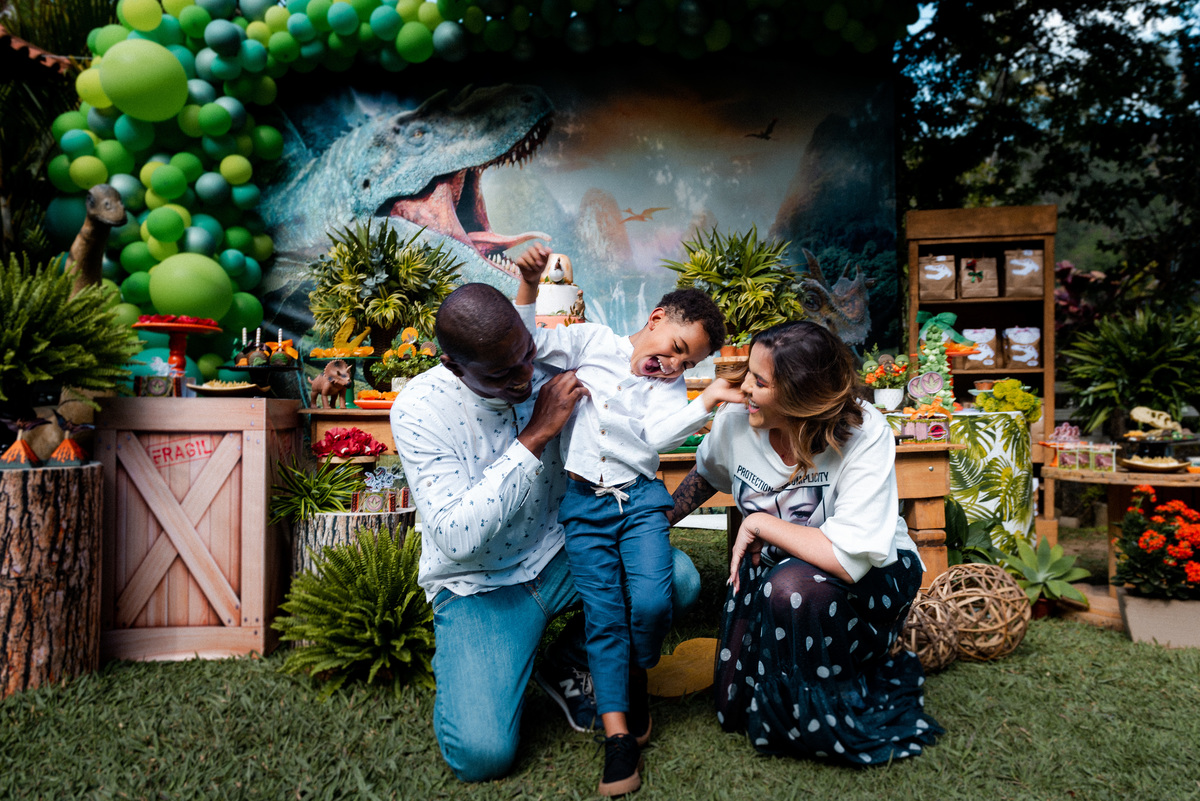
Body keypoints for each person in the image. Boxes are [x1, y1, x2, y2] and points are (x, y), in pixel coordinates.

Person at [390, 283, 702, 784]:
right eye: (502, 372)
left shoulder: (555, 364)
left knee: (674, 580)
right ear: (454, 366)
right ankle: (509, 653)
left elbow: (633, 423)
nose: (524, 376)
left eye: (526, 355)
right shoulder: (419, 408)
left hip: (563, 552)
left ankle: (569, 661)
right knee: (482, 755)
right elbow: (454, 537)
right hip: (482, 584)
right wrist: (535, 435)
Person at [514, 244, 743, 796]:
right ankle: (618, 738)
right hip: (586, 505)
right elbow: (528, 343)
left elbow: (654, 439)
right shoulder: (592, 342)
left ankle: (636, 672)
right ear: (656, 319)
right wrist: (528, 286)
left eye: (689, 364)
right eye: (677, 349)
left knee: (653, 602)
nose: (676, 365)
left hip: (640, 502)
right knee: (604, 616)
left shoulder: (670, 388)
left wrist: (704, 398)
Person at [667, 321, 943, 765]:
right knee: (732, 706)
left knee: (792, 586)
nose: (744, 388)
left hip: (868, 578)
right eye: (748, 373)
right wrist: (652, 526)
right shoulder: (737, 420)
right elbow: (705, 475)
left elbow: (849, 560)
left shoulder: (864, 431)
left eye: (760, 382)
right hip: (775, 572)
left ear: (801, 396)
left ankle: (829, 704)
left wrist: (760, 523)